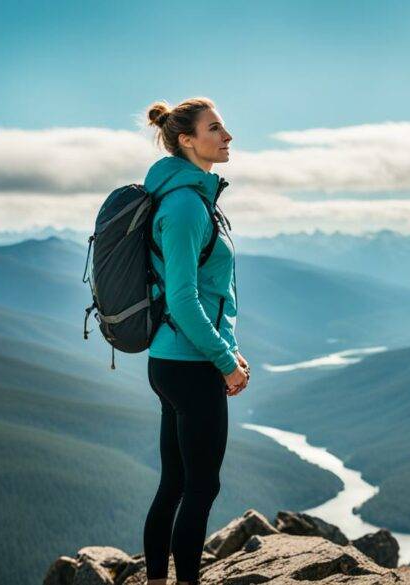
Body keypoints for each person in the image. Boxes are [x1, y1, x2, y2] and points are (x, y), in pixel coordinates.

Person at [141, 96, 250, 585]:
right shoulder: (186, 206)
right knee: (201, 487)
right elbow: (184, 301)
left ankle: (158, 580)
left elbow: (203, 295)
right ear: (187, 140)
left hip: (172, 360)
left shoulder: (191, 197)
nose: (227, 137)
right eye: (216, 128)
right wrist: (225, 361)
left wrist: (227, 346)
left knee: (175, 483)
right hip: (189, 367)